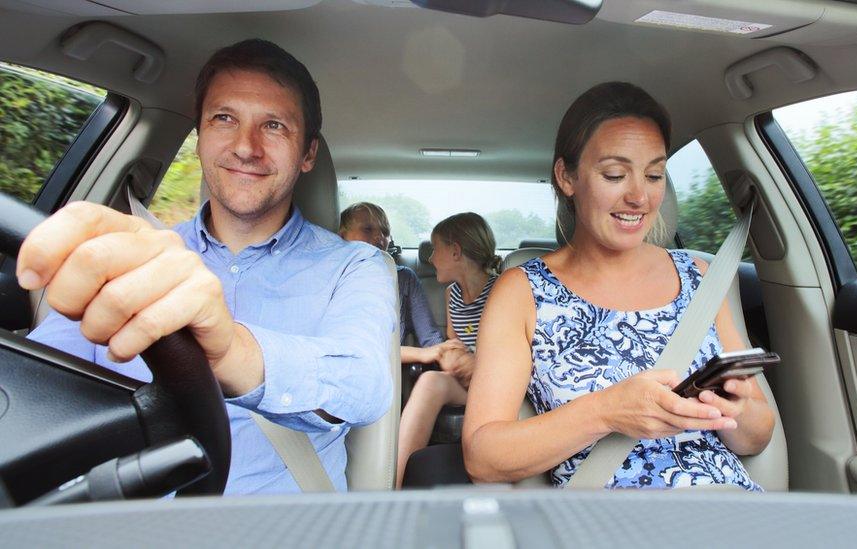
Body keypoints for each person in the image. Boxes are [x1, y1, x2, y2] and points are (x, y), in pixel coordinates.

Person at [19, 39, 395, 494]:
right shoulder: (135, 258)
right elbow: (33, 390)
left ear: (308, 154)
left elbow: (365, 384)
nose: (245, 147)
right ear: (199, 136)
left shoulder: (356, 265)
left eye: (273, 126)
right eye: (224, 119)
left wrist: (229, 351)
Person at [462, 82, 774, 489]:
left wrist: (729, 408)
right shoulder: (522, 291)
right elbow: (482, 457)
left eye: (654, 174)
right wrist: (606, 412)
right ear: (566, 177)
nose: (639, 196)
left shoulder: (701, 276)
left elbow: (759, 432)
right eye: (614, 174)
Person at [396, 212, 500, 487]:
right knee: (430, 381)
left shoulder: (501, 289)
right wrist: (452, 357)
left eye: (435, 249)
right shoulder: (451, 294)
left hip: (498, 383)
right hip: (466, 381)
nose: (429, 259)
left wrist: (475, 364)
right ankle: (393, 488)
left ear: (455, 252)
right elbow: (455, 345)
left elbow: (505, 356)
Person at [338, 202, 466, 367]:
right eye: (368, 229)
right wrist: (420, 353)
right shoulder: (333, 277)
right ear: (341, 236)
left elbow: (429, 337)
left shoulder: (403, 278)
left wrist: (448, 355)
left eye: (385, 232)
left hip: (388, 372)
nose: (379, 237)